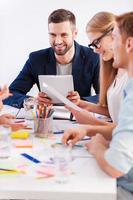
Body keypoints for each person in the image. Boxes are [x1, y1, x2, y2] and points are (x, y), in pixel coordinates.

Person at [63, 11, 133, 199]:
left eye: (115, 37)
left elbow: (116, 166)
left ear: (128, 43)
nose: (95, 50)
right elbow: (123, 127)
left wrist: (97, 145)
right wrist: (87, 128)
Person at [4, 8, 99, 109]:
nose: (58, 41)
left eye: (64, 35)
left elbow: (105, 96)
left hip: (78, 119)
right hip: (47, 117)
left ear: (75, 34)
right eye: (53, 35)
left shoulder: (93, 57)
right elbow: (10, 94)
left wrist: (82, 101)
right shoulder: (36, 59)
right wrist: (33, 101)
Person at [66, 12, 128, 139]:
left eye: (97, 42)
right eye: (92, 45)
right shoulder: (116, 70)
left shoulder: (129, 74)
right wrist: (83, 104)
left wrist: (89, 124)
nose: (95, 50)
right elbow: (116, 110)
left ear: (114, 34)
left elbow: (125, 130)